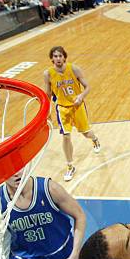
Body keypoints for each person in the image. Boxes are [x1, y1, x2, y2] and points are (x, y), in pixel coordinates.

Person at [43, 46, 101, 182]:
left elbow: (87, 86)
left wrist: (81, 96)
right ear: (52, 58)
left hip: (77, 106)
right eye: (55, 56)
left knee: (86, 133)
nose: (58, 58)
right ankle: (70, 166)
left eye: (60, 56)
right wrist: (47, 111)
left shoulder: (74, 68)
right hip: (62, 108)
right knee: (66, 136)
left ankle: (95, 139)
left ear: (64, 57)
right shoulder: (48, 74)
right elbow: (48, 94)